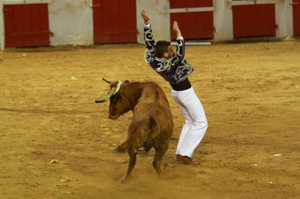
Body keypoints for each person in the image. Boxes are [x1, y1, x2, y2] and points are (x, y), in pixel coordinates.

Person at [141, 10, 208, 165]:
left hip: (177, 92)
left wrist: (146, 23)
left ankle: (181, 153)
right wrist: (178, 33)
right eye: (170, 50)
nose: (173, 51)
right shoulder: (169, 62)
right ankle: (185, 154)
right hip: (185, 93)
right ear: (165, 55)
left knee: (190, 122)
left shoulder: (154, 58)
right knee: (201, 123)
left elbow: (149, 43)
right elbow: (181, 54)